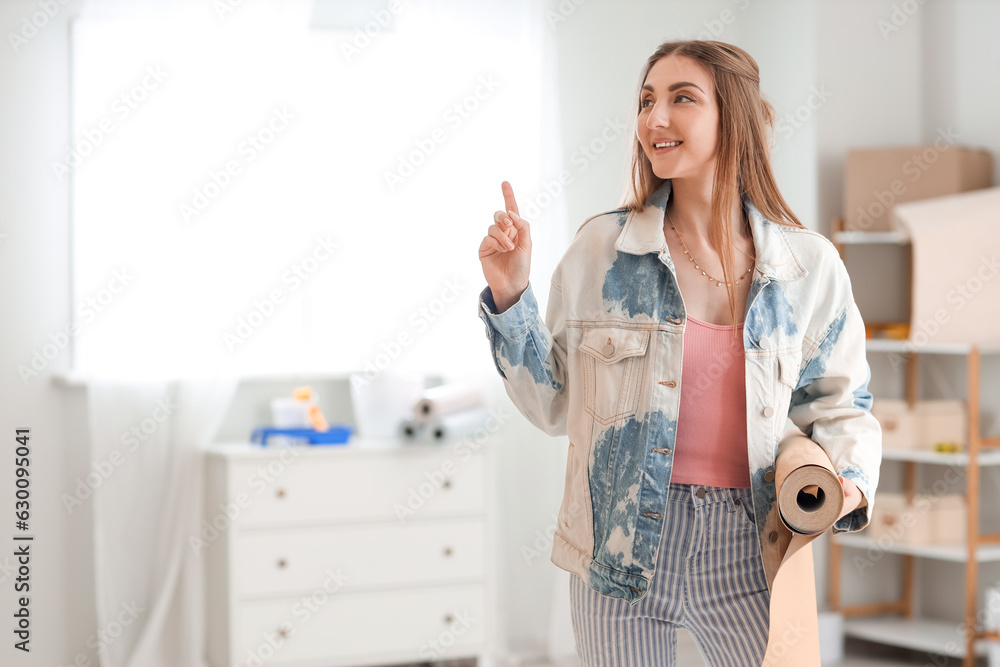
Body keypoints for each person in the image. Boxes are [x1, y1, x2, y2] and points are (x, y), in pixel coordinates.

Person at [477, 39, 880, 666]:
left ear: (733, 117)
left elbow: (843, 404)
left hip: (751, 544)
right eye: (646, 101)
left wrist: (846, 487)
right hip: (620, 545)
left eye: (681, 99)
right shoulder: (601, 250)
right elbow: (553, 404)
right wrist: (510, 295)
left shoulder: (809, 266)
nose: (654, 119)